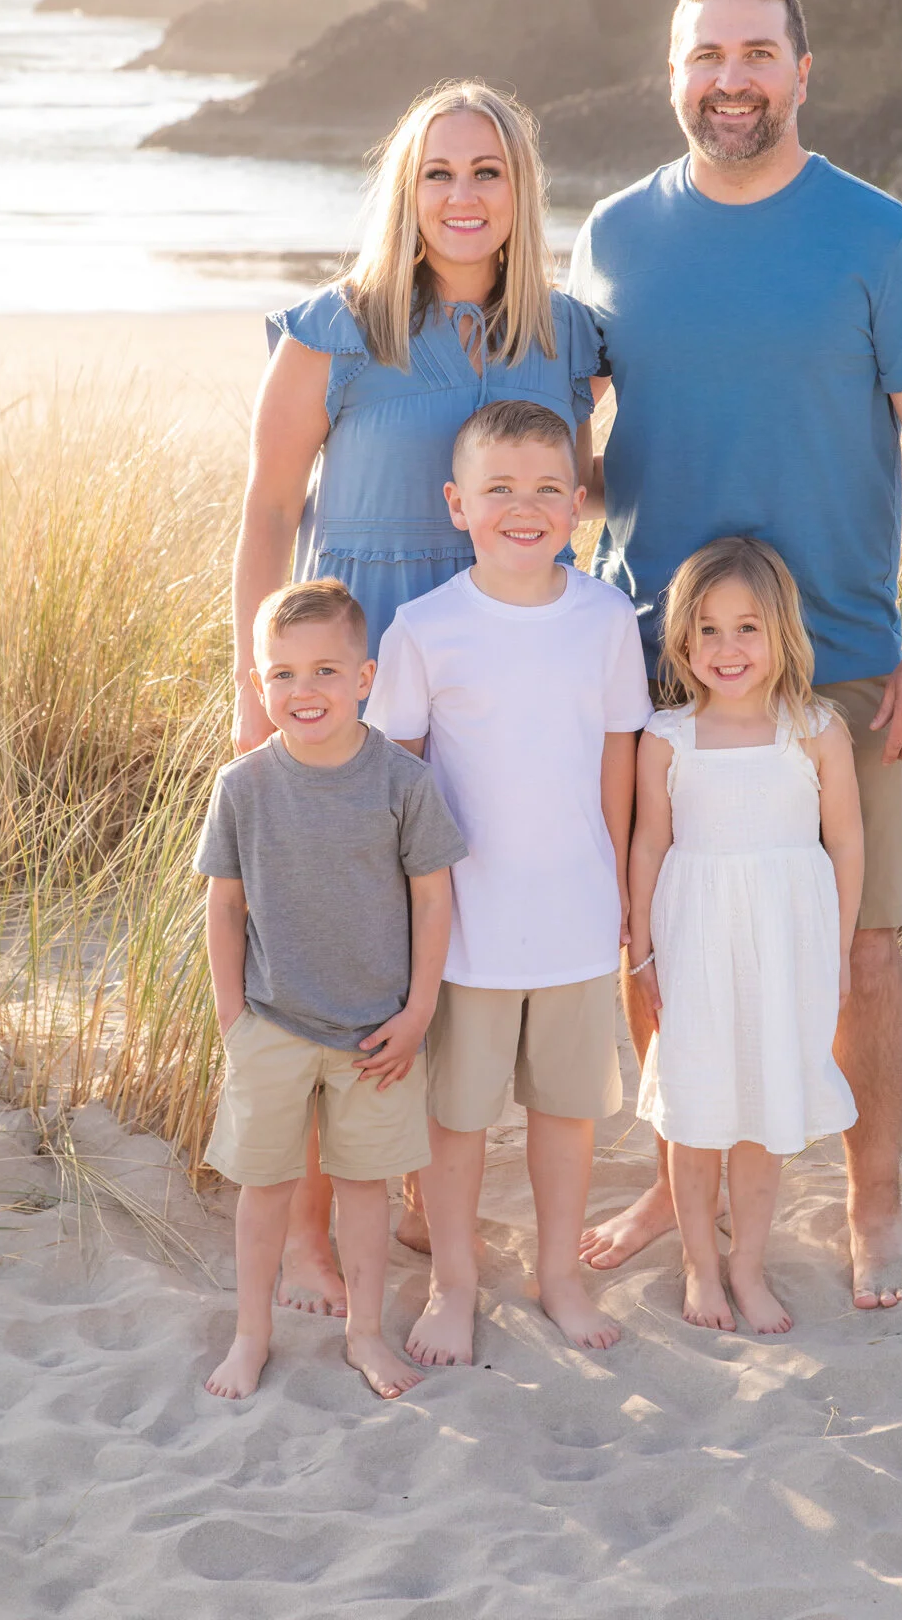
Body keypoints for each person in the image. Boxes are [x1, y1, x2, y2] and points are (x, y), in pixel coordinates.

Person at [570, 0, 902, 1310]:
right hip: (654, 667)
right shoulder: (617, 236)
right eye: (706, 56)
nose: (731, 80)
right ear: (672, 73)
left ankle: (873, 1199)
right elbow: (577, 451)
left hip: (849, 663)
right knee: (658, 936)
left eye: (757, 54)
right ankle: (672, 1171)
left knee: (865, 945)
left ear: (802, 73)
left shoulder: (882, 239)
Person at [232, 81, 604, 1316]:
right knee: (337, 949)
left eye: (486, 172)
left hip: (510, 681)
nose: (461, 197)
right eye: (437, 173)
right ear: (405, 188)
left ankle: (412, 1199)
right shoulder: (331, 330)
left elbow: (571, 489)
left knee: (455, 935)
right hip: (359, 681)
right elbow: (270, 512)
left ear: (519, 192)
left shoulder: (571, 337)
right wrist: (256, 689)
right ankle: (301, 1237)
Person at [365, 399, 650, 1364]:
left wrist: (617, 887)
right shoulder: (424, 628)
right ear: (457, 504)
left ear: (577, 503)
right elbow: (395, 777)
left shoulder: (606, 617)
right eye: (497, 490)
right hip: (465, 926)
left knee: (567, 1114)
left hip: (573, 911)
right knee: (458, 1121)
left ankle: (558, 1274)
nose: (520, 508)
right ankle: (453, 1281)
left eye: (543, 490)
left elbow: (618, 761)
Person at [196, 579, 466, 1400]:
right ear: (257, 682)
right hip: (272, 1023)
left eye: (323, 672)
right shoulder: (242, 785)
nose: (301, 692)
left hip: (375, 1031)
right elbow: (224, 903)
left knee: (363, 1190)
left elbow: (432, 897)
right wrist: (232, 1017)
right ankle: (251, 1336)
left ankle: (366, 1336)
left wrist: (419, 1011)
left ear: (364, 678)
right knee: (264, 1188)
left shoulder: (400, 782)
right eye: (280, 674)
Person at [629, 536, 863, 1333]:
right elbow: (649, 844)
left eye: (747, 628)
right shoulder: (667, 736)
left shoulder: (815, 728)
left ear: (781, 633)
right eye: (707, 629)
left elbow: (847, 842)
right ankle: (698, 1264)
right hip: (693, 937)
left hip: (786, 941)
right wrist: (641, 945)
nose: (727, 649)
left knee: (765, 1109)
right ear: (683, 642)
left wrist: (834, 950)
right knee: (695, 1109)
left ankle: (747, 1265)